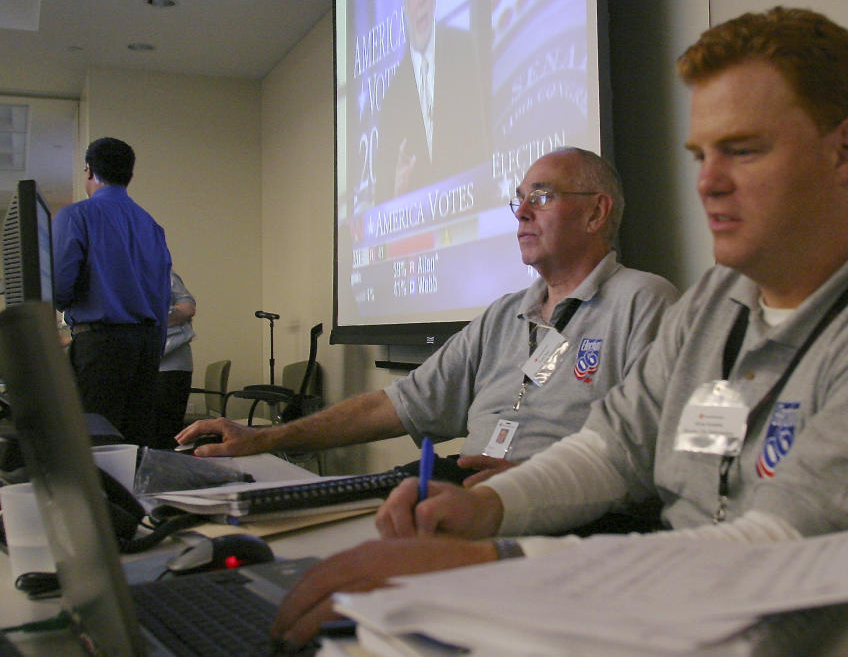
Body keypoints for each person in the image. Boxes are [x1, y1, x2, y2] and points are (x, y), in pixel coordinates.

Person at [267, 7, 848, 650]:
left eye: (742, 150)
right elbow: (612, 448)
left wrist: (490, 562)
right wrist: (487, 511)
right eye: (700, 155)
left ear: (846, 152)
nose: (709, 183)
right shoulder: (717, 302)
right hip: (661, 623)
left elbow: (778, 553)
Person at [179, 147, 679, 485]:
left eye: (542, 196)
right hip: (464, 492)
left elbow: (651, 451)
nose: (522, 212)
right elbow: (394, 406)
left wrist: (534, 483)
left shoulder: (643, 301)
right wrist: (263, 439)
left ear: (595, 213)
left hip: (566, 516)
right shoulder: (504, 316)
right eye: (518, 199)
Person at [53, 137, 171, 448]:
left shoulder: (75, 216)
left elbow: (61, 291)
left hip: (101, 348)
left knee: (94, 451)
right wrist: (153, 354)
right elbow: (161, 298)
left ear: (89, 171)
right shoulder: (151, 225)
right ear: (129, 175)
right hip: (146, 349)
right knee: (135, 449)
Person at [374, 0, 489, 203]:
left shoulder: (464, 49)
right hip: (417, 227)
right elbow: (383, 198)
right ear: (404, 2)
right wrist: (396, 190)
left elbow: (482, 147)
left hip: (470, 209)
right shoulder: (393, 96)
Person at [155, 271, 197, 448]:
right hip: (149, 366)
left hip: (171, 367)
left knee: (164, 434)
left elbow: (188, 308)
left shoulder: (162, 274)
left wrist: (147, 320)